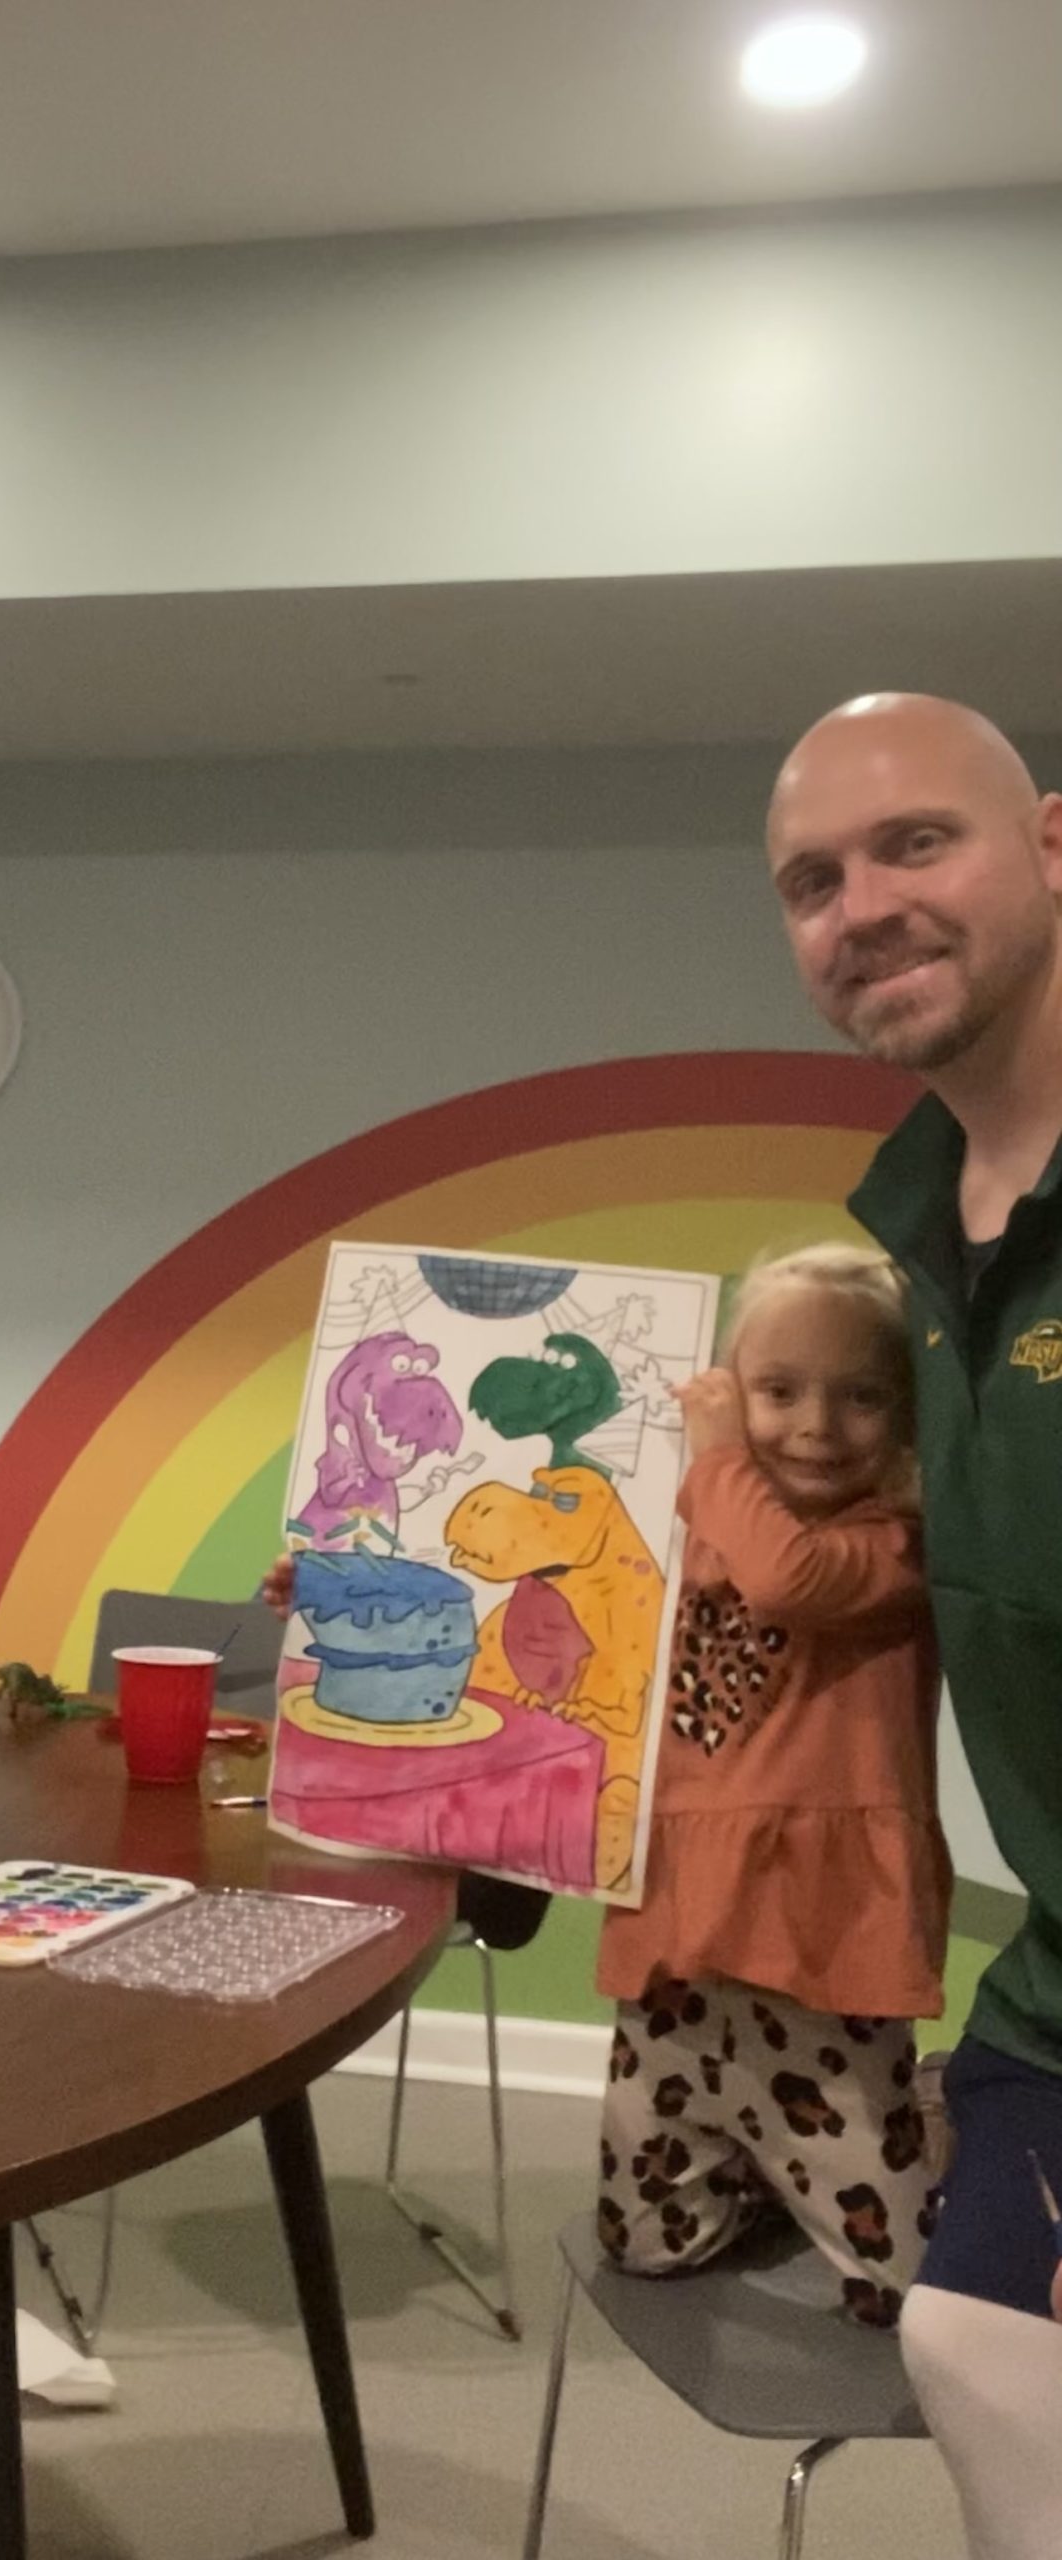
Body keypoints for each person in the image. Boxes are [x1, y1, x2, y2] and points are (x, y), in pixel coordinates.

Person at [767, 692, 1062, 2551]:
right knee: (973, 2354)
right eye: (812, 879)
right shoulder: (913, 1249)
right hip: (1045, 1992)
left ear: (1050, 846)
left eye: (914, 844)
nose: (860, 904)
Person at [593, 1242, 946, 2325]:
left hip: (820, 1937)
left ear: (907, 1414)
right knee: (647, 2246)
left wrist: (712, 1455)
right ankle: (751, 2166)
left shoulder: (895, 1545)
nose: (815, 1425)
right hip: (681, 1927)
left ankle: (930, 2114)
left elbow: (787, 1577)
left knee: (902, 2291)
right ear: (731, 1389)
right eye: (778, 1390)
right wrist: (334, 1586)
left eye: (861, 1396)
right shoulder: (695, 1529)